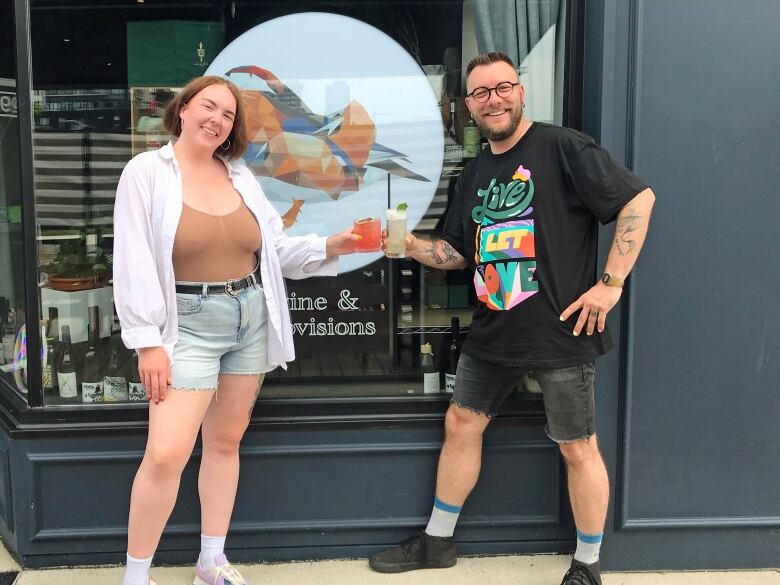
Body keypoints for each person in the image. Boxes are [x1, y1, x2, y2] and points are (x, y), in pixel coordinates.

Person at [369, 51, 655, 585]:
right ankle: (436, 542)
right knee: (461, 423)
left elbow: (638, 200)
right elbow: (456, 253)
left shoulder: (563, 147)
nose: (492, 99)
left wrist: (610, 286)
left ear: (520, 92)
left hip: (562, 330)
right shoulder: (473, 173)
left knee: (577, 447)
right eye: (480, 93)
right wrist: (409, 246)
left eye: (501, 88)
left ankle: (587, 564)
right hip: (492, 331)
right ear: (468, 107)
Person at [112, 75, 358, 585]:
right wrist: (147, 341)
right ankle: (135, 578)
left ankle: (211, 562)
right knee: (166, 453)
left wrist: (331, 246)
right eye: (209, 107)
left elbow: (274, 252)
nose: (217, 120)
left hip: (250, 317)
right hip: (187, 327)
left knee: (225, 443)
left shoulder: (240, 174)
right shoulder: (147, 173)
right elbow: (133, 260)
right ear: (182, 109)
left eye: (227, 115)